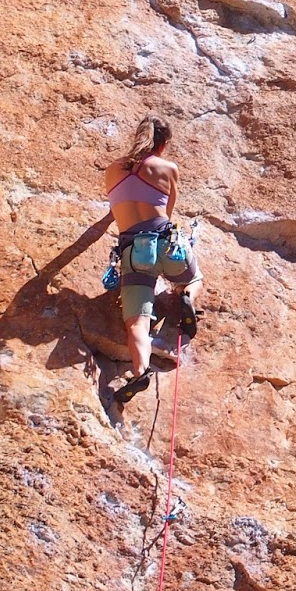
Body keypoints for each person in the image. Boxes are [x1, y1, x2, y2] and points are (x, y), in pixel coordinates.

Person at [104, 115, 200, 403]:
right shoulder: (168, 168)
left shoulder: (112, 170)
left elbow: (116, 204)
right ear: (164, 143)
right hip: (165, 244)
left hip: (133, 252)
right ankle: (186, 297)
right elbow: (167, 211)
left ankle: (140, 370)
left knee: (136, 322)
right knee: (194, 278)